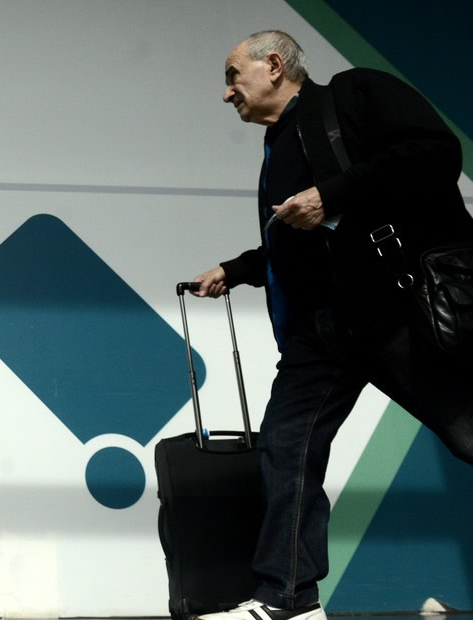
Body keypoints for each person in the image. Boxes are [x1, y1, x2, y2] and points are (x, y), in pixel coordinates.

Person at [191, 30, 473, 620]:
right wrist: (236, 270)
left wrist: (333, 193)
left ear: (274, 65)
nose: (226, 93)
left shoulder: (355, 94)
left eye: (233, 75)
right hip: (322, 334)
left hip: (396, 315)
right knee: (286, 449)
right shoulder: (279, 142)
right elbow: (307, 245)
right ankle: (287, 600)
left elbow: (436, 153)